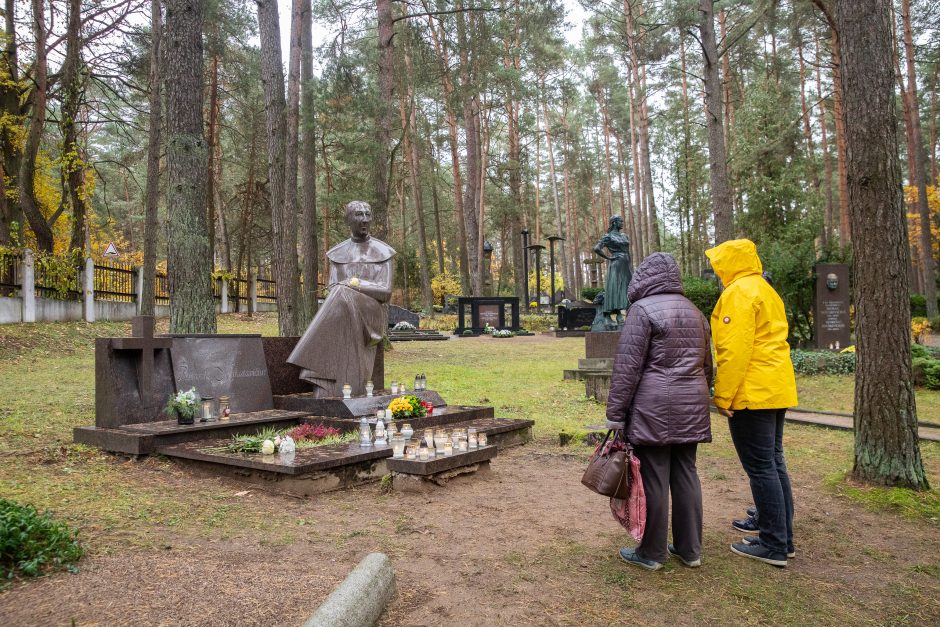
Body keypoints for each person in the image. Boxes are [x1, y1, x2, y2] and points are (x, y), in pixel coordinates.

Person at [605, 253, 713, 571]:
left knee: (653, 476)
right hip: (691, 405)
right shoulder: (695, 311)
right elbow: (708, 366)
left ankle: (651, 552)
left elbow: (627, 368)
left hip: (654, 408)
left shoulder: (642, 310)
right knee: (686, 474)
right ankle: (689, 549)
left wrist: (616, 413)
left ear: (644, 277)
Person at [705, 239, 798, 568]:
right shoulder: (764, 289)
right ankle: (783, 538)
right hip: (775, 387)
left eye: (719, 265)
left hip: (752, 392)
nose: (717, 272)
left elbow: (734, 350)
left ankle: (774, 545)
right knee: (774, 462)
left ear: (728, 264)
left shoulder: (738, 293)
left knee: (761, 468)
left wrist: (723, 395)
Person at [287, 201, 396, 397]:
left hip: (371, 312)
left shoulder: (383, 251)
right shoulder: (338, 253)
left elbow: (386, 292)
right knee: (340, 292)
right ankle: (328, 380)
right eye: (358, 215)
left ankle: (312, 368)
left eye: (367, 215)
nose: (364, 220)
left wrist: (355, 285)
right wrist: (346, 287)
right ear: (348, 219)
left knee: (342, 291)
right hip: (344, 308)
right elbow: (332, 289)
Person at [592, 216, 633, 325]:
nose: (622, 223)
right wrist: (608, 258)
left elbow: (628, 251)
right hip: (616, 264)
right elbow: (596, 248)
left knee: (626, 289)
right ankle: (613, 315)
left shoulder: (624, 236)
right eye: (620, 221)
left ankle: (622, 315)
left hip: (625, 264)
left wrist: (629, 265)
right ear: (614, 223)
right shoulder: (608, 236)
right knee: (616, 289)